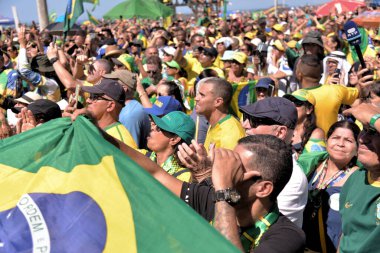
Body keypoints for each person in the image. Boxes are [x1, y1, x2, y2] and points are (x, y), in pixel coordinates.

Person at [239, 97, 308, 228]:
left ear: (280, 132)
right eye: (245, 117)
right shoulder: (247, 157)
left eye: (254, 121)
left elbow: (258, 226)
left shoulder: (293, 179)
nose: (245, 125)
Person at [302, 121, 360, 252]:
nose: (340, 144)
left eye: (348, 140)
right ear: (326, 141)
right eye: (336, 138)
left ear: (357, 149)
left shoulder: (359, 179)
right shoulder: (309, 167)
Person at [337, 102, 380, 253]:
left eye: (374, 132)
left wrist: (374, 118)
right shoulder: (356, 178)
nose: (362, 139)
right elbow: (347, 235)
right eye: (364, 130)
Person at [296, 54, 359, 134]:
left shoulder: (294, 97)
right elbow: (359, 93)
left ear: (299, 74)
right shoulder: (336, 90)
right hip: (331, 144)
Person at [81, 79, 137, 149]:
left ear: (110, 106)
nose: (88, 100)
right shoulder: (89, 124)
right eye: (90, 96)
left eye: (94, 97)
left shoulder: (122, 141)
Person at [140, 111, 195, 182]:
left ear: (174, 139)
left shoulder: (184, 177)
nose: (152, 128)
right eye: (155, 125)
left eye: (159, 128)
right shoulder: (142, 156)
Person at [103, 70, 150, 149]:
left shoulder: (131, 114)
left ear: (124, 89)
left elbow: (130, 150)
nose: (107, 86)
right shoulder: (124, 108)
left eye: (112, 83)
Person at [195, 77, 245, 151]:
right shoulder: (214, 124)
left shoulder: (229, 134)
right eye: (198, 94)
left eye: (202, 95)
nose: (196, 98)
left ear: (218, 102)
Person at [284, 89, 325, 155]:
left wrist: (297, 149)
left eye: (297, 103)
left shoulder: (317, 133)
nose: (292, 105)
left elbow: (311, 162)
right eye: (289, 102)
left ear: (309, 109)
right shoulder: (283, 128)